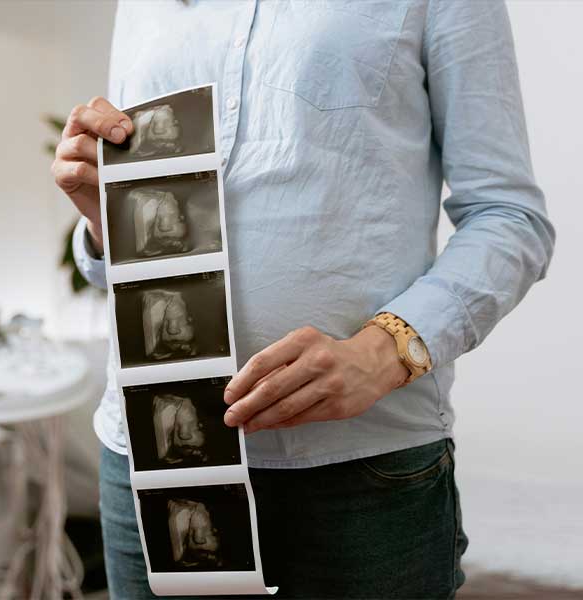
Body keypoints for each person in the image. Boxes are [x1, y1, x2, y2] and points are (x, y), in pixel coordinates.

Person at [52, 1, 555, 598]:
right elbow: (139, 246)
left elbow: (509, 217)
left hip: (360, 471)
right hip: (147, 459)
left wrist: (386, 349)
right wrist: (105, 223)